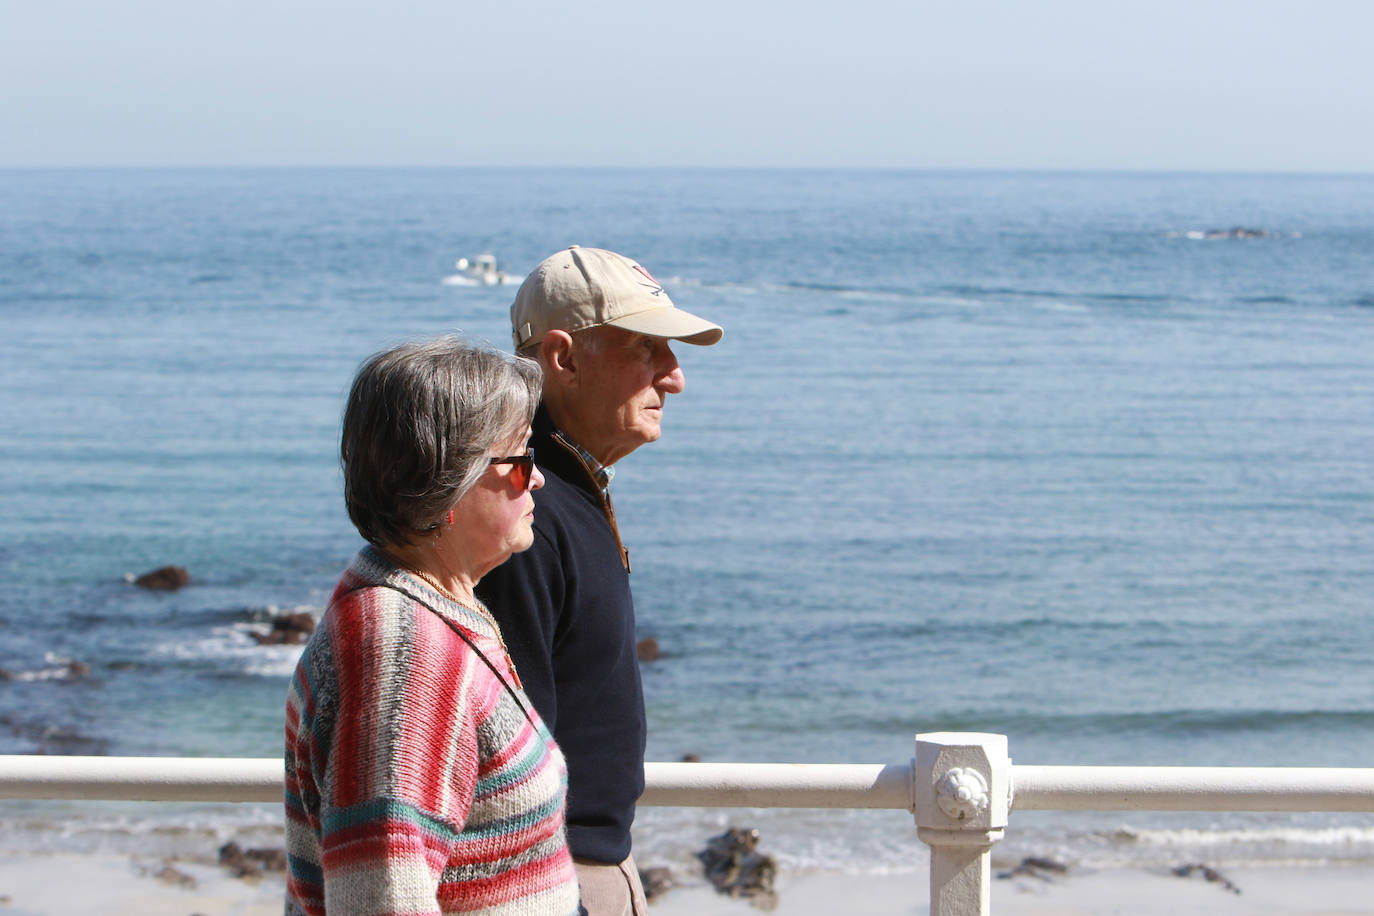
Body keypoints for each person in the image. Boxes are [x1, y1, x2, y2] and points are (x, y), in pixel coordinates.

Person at [284, 337, 582, 916]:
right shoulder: (406, 651)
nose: (539, 480)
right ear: (450, 481)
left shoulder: (434, 607)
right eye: (520, 459)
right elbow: (382, 895)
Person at [475, 246, 723, 916]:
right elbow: (502, 756)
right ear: (563, 358)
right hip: (552, 880)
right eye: (649, 348)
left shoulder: (561, 490)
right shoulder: (524, 512)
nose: (674, 378)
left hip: (586, 865)